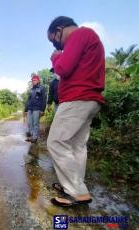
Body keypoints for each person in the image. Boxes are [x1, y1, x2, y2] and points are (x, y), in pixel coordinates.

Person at [46, 16, 105, 207]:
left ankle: (76, 192)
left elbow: (63, 67)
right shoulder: (89, 36)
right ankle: (75, 186)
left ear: (59, 29)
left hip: (77, 98)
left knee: (56, 142)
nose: (55, 43)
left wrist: (55, 57)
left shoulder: (79, 35)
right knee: (77, 146)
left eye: (53, 38)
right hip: (89, 99)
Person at [24, 74, 47, 143]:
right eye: (32, 80)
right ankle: (32, 135)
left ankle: (34, 138)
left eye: (35, 80)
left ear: (38, 80)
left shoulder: (42, 88)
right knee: (29, 123)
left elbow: (44, 99)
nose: (33, 81)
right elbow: (28, 100)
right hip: (30, 109)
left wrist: (42, 109)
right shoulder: (31, 89)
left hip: (37, 109)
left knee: (35, 123)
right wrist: (26, 109)